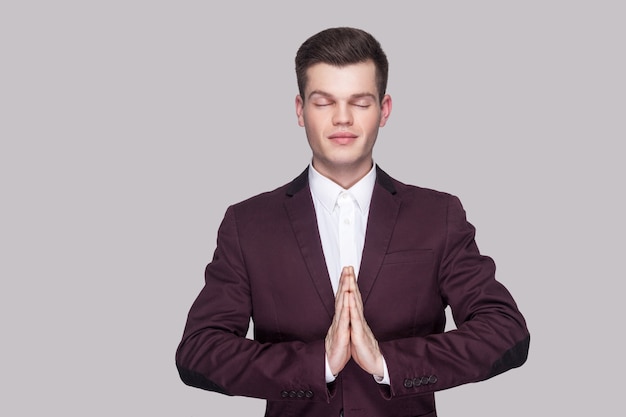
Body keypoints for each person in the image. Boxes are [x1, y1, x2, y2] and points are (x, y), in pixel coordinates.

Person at [176, 27, 530, 417]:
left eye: (359, 103)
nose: (342, 118)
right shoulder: (248, 224)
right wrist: (318, 365)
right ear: (300, 110)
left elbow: (506, 332)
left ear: (384, 109)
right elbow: (199, 351)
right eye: (324, 102)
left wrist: (386, 363)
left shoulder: (437, 215)